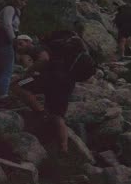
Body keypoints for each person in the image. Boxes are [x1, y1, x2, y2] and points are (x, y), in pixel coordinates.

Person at [15, 26, 93, 155]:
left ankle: (40, 112)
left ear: (29, 42)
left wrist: (27, 74)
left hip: (50, 80)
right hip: (67, 82)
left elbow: (44, 59)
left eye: (20, 43)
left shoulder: (37, 47)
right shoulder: (58, 51)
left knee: (17, 85)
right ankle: (64, 149)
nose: (19, 47)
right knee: (58, 115)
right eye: (16, 47)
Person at [0, 0, 28, 98]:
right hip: (4, 41)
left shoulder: (16, 11)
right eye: (21, 0)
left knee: (0, 69)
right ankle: (3, 95)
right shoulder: (10, 9)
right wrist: (13, 39)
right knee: (7, 69)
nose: (23, 3)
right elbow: (7, 25)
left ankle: (0, 93)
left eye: (25, 1)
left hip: (3, 41)